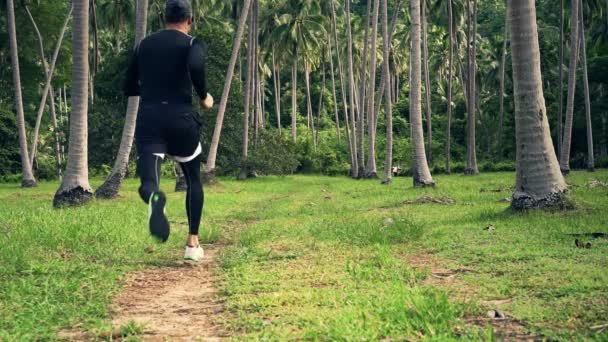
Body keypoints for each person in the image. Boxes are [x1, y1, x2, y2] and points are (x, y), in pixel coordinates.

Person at [124, 0, 213, 261]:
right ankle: (192, 244)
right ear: (189, 20)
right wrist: (204, 95)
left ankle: (154, 195)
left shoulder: (144, 45)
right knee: (193, 179)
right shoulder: (192, 43)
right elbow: (196, 66)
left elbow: (129, 85)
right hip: (181, 119)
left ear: (164, 19)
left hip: (150, 118)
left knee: (149, 179)